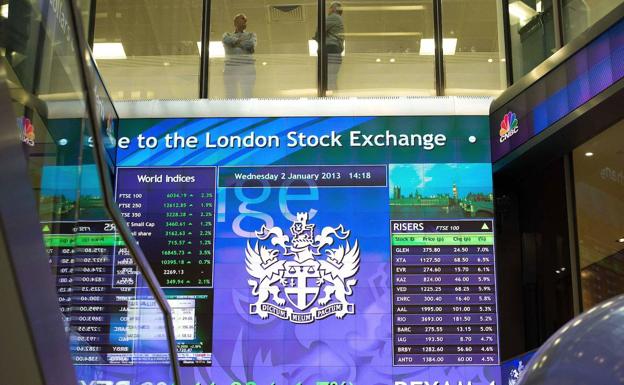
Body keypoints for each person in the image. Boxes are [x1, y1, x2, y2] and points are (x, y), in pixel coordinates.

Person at [222, 14, 257, 99]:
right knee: (231, 94)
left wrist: (235, 43)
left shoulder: (251, 35)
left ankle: (247, 111)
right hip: (231, 67)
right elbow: (226, 40)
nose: (244, 23)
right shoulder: (227, 35)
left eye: (245, 21)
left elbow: (251, 44)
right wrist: (242, 42)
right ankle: (231, 111)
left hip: (247, 67)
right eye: (241, 21)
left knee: (247, 93)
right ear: (235, 23)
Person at [325, 2, 344, 92]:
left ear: (333, 9)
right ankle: (333, 96)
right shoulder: (339, 19)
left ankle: (327, 99)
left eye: (330, 8)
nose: (328, 10)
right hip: (336, 51)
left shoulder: (333, 17)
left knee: (327, 76)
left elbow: (319, 30)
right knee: (332, 76)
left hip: (331, 49)